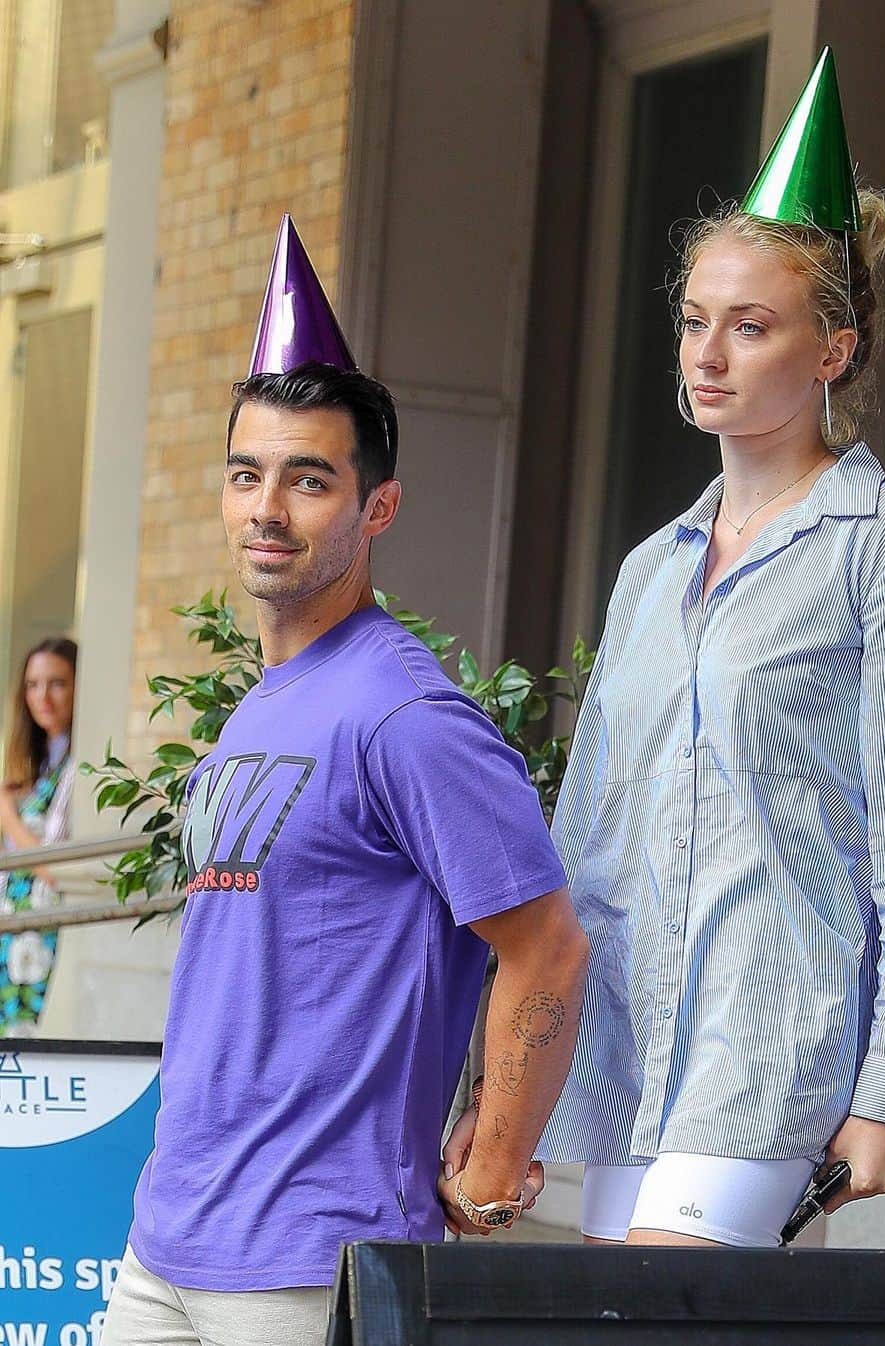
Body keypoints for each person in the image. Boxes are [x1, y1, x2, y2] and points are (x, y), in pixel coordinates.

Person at [102, 217, 588, 1346]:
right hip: (169, 1238)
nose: (267, 508)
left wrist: (496, 1157)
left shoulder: (404, 710)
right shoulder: (267, 699)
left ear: (378, 507)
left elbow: (548, 941)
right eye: (247, 474)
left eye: (308, 479)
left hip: (311, 1254)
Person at [532, 48, 885, 1248]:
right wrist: (524, 1062)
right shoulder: (649, 568)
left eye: (750, 325)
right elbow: (590, 835)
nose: (707, 353)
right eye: (693, 321)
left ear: (831, 353)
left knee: (657, 1315)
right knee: (626, 1326)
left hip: (776, 1037)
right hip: (626, 1055)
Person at [0, 636, 77, 1036]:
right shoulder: (39, 766)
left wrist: (8, 817)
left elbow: (55, 867)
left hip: (41, 935)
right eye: (33, 684)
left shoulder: (77, 765)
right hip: (12, 933)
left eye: (57, 683)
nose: (43, 696)